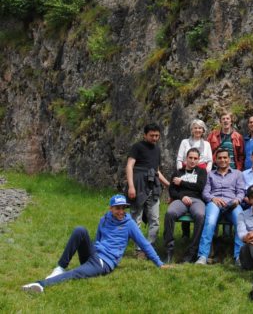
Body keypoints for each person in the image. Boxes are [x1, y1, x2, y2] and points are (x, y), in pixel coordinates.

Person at [21, 195, 169, 294]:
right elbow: (98, 239)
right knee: (80, 230)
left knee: (76, 273)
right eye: (118, 208)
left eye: (123, 208)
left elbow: (145, 244)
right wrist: (93, 251)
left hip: (104, 263)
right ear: (111, 208)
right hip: (94, 254)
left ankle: (40, 284)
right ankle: (60, 267)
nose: (121, 211)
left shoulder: (129, 224)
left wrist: (159, 264)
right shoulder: (103, 220)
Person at [125, 123, 169, 257]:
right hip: (138, 183)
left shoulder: (157, 150)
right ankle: (139, 250)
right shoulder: (137, 147)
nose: (155, 138)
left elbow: (156, 171)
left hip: (153, 185)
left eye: (157, 136)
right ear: (145, 135)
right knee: (136, 218)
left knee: (154, 218)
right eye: (152, 135)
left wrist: (168, 184)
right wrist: (131, 186)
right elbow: (129, 166)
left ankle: (149, 247)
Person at [195, 147, 246, 264]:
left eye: (225, 157)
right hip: (214, 203)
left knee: (240, 221)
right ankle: (202, 256)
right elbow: (205, 192)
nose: (222, 160)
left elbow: (241, 191)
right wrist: (213, 198)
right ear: (216, 160)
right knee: (210, 222)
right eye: (220, 158)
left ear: (229, 159)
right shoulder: (210, 174)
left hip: (232, 203)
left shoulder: (238, 174)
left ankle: (239, 256)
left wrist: (237, 200)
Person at [164, 147, 207, 263]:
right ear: (186, 159)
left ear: (198, 160)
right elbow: (172, 191)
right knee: (170, 213)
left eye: (195, 158)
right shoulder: (178, 172)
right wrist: (182, 197)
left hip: (197, 200)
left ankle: (192, 251)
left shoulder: (201, 172)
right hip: (180, 200)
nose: (193, 161)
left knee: (200, 215)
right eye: (190, 158)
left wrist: (182, 182)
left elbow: (200, 187)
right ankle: (169, 249)